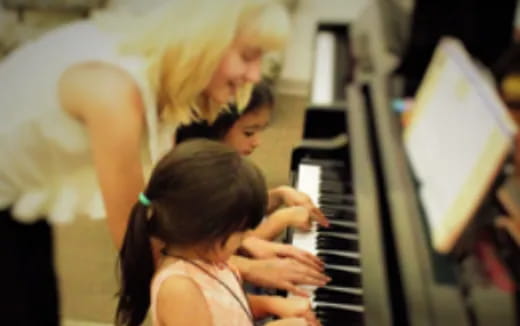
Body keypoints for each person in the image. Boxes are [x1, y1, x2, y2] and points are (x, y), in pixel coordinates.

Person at [0, 0, 291, 324]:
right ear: (206, 42)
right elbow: (136, 240)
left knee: (37, 298)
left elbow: (175, 213)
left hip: (19, 187)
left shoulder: (159, 73)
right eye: (248, 55)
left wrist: (246, 244)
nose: (254, 73)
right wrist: (245, 272)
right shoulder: (113, 93)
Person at [116, 139, 320, 326]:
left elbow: (226, 307)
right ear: (210, 232)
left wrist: (272, 304)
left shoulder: (213, 260)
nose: (245, 239)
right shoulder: (179, 290)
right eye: (241, 232)